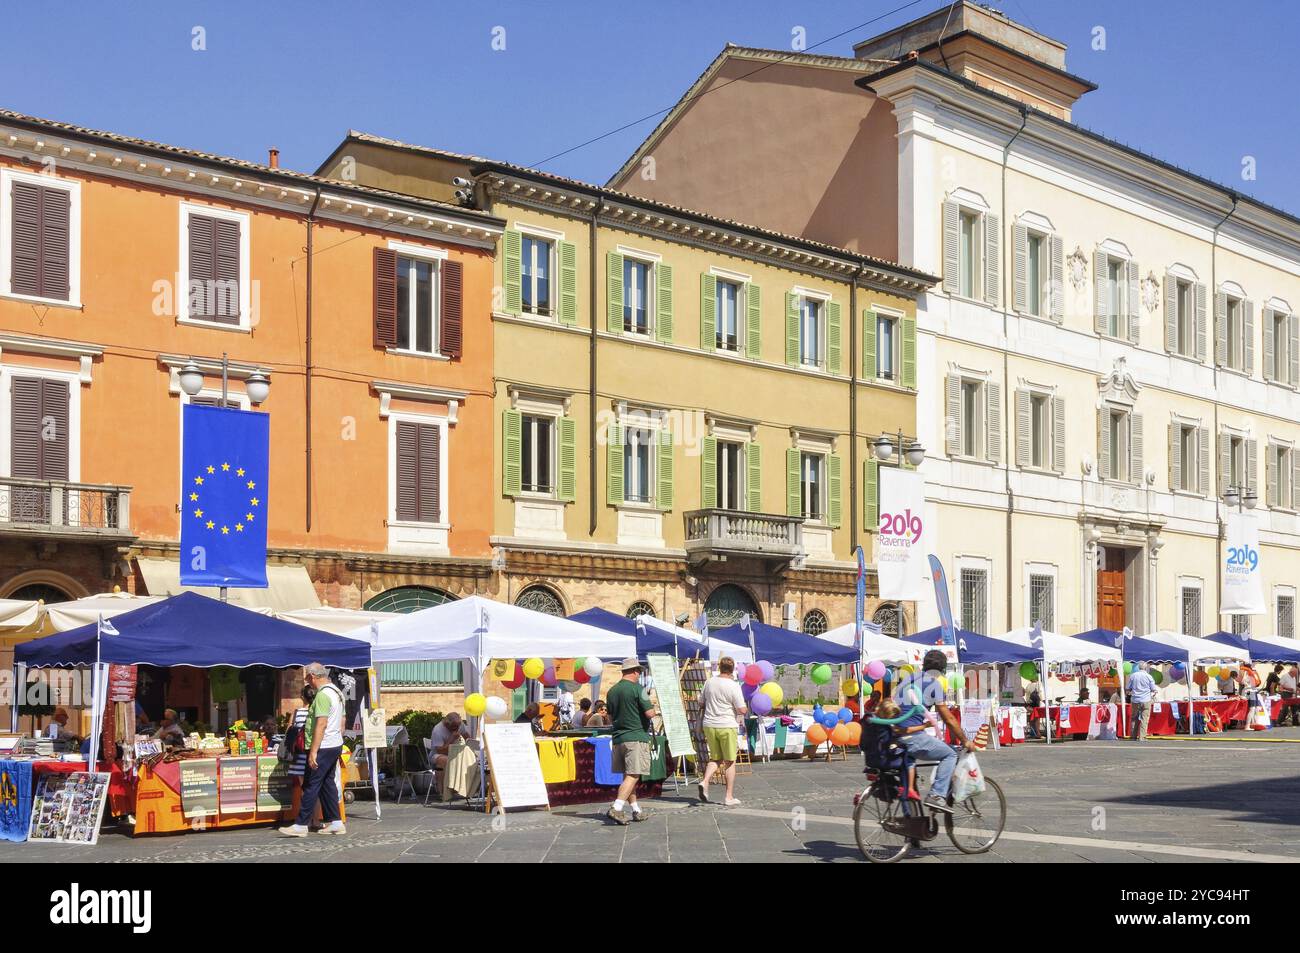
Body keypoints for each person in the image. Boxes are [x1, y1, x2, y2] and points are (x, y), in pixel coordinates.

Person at [892, 650, 971, 814]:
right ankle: (936, 795)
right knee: (950, 754)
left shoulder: (907, 679)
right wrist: (965, 740)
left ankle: (911, 827)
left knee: (908, 779)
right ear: (942, 671)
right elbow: (948, 718)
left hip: (896, 734)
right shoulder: (933, 684)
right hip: (912, 737)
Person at [279, 663, 346, 838]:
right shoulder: (336, 692)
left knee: (311, 784)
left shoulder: (323, 695)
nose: (307, 681)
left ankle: (301, 825)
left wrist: (314, 751)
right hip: (334, 744)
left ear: (313, 677)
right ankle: (336, 823)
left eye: (307, 678)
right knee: (327, 783)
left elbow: (321, 724)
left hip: (323, 745)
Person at [605, 658, 656, 825]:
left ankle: (636, 810)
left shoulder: (612, 691)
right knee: (634, 774)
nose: (639, 675)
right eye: (639, 672)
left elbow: (610, 717)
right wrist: (653, 707)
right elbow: (650, 714)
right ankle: (617, 807)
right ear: (635, 672)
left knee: (628, 776)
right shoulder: (639, 689)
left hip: (619, 737)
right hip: (636, 736)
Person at [697, 656, 747, 806]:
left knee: (715, 758)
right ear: (732, 670)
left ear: (719, 667)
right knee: (730, 761)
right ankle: (728, 797)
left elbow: (701, 702)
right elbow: (741, 709)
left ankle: (705, 782)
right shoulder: (733, 685)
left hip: (710, 725)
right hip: (726, 725)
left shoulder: (709, 682)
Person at [1126, 662, 1158, 741]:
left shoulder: (1133, 676)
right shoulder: (1149, 676)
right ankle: (1142, 737)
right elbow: (1154, 689)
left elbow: (1128, 688)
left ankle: (1133, 736)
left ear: (1138, 668)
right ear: (1146, 668)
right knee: (1144, 719)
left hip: (1135, 699)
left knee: (1134, 718)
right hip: (1146, 699)